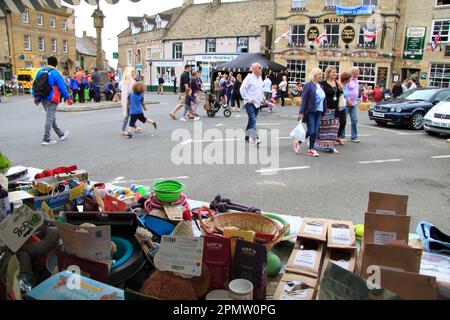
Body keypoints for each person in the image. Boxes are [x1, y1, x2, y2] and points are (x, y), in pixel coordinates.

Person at [33, 56, 72, 145]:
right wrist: (68, 97)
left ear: (47, 62)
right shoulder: (55, 73)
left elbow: (35, 85)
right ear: (56, 63)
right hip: (52, 98)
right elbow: (62, 87)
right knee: (50, 118)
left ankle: (60, 134)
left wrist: (36, 97)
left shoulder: (40, 71)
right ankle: (46, 139)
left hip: (42, 98)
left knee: (51, 117)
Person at [298, 68, 327, 157]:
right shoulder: (308, 85)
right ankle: (299, 142)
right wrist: (301, 112)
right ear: (314, 75)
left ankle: (311, 149)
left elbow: (324, 99)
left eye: (321, 74)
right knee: (311, 131)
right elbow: (304, 99)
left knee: (315, 131)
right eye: (319, 74)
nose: (321, 76)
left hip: (319, 111)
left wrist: (324, 111)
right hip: (311, 111)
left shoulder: (321, 86)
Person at [316, 66, 342, 154]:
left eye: (335, 72)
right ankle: (320, 144)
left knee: (333, 129)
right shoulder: (322, 83)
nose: (335, 74)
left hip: (336, 109)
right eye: (333, 72)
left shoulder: (337, 83)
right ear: (328, 73)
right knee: (323, 128)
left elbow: (341, 94)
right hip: (325, 109)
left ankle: (330, 146)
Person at [240, 63, 264, 146]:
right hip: (249, 103)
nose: (261, 69)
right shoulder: (249, 78)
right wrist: (247, 98)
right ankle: (255, 139)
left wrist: (263, 97)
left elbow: (260, 90)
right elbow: (242, 89)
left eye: (261, 68)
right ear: (254, 69)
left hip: (257, 103)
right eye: (259, 68)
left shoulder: (260, 78)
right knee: (253, 120)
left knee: (251, 121)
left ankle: (246, 137)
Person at [344, 67, 360, 143]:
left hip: (354, 103)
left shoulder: (356, 80)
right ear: (353, 72)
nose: (358, 72)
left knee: (354, 119)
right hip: (347, 103)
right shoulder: (348, 80)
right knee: (343, 120)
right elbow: (344, 89)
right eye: (357, 71)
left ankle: (354, 136)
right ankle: (342, 136)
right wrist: (347, 98)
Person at [120, 67, 136, 136]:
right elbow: (131, 91)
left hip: (126, 100)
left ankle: (134, 126)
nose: (133, 73)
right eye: (132, 72)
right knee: (128, 115)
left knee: (132, 114)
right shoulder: (130, 81)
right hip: (129, 100)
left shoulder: (123, 81)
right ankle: (123, 130)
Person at [337, 72, 351, 145]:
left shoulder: (345, 86)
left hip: (343, 107)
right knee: (335, 123)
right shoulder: (339, 85)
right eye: (349, 78)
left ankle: (338, 137)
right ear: (346, 79)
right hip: (338, 107)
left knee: (343, 122)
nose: (350, 79)